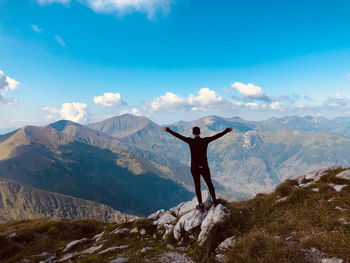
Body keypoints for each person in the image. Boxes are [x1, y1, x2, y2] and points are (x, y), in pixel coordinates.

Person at [162, 125, 232, 211]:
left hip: (194, 168)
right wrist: (227, 130)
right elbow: (217, 136)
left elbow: (178, 136)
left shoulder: (190, 141)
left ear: (192, 133)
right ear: (200, 132)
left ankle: (200, 205)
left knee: (197, 186)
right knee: (209, 184)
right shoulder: (205, 140)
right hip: (204, 167)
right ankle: (215, 201)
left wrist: (168, 130)